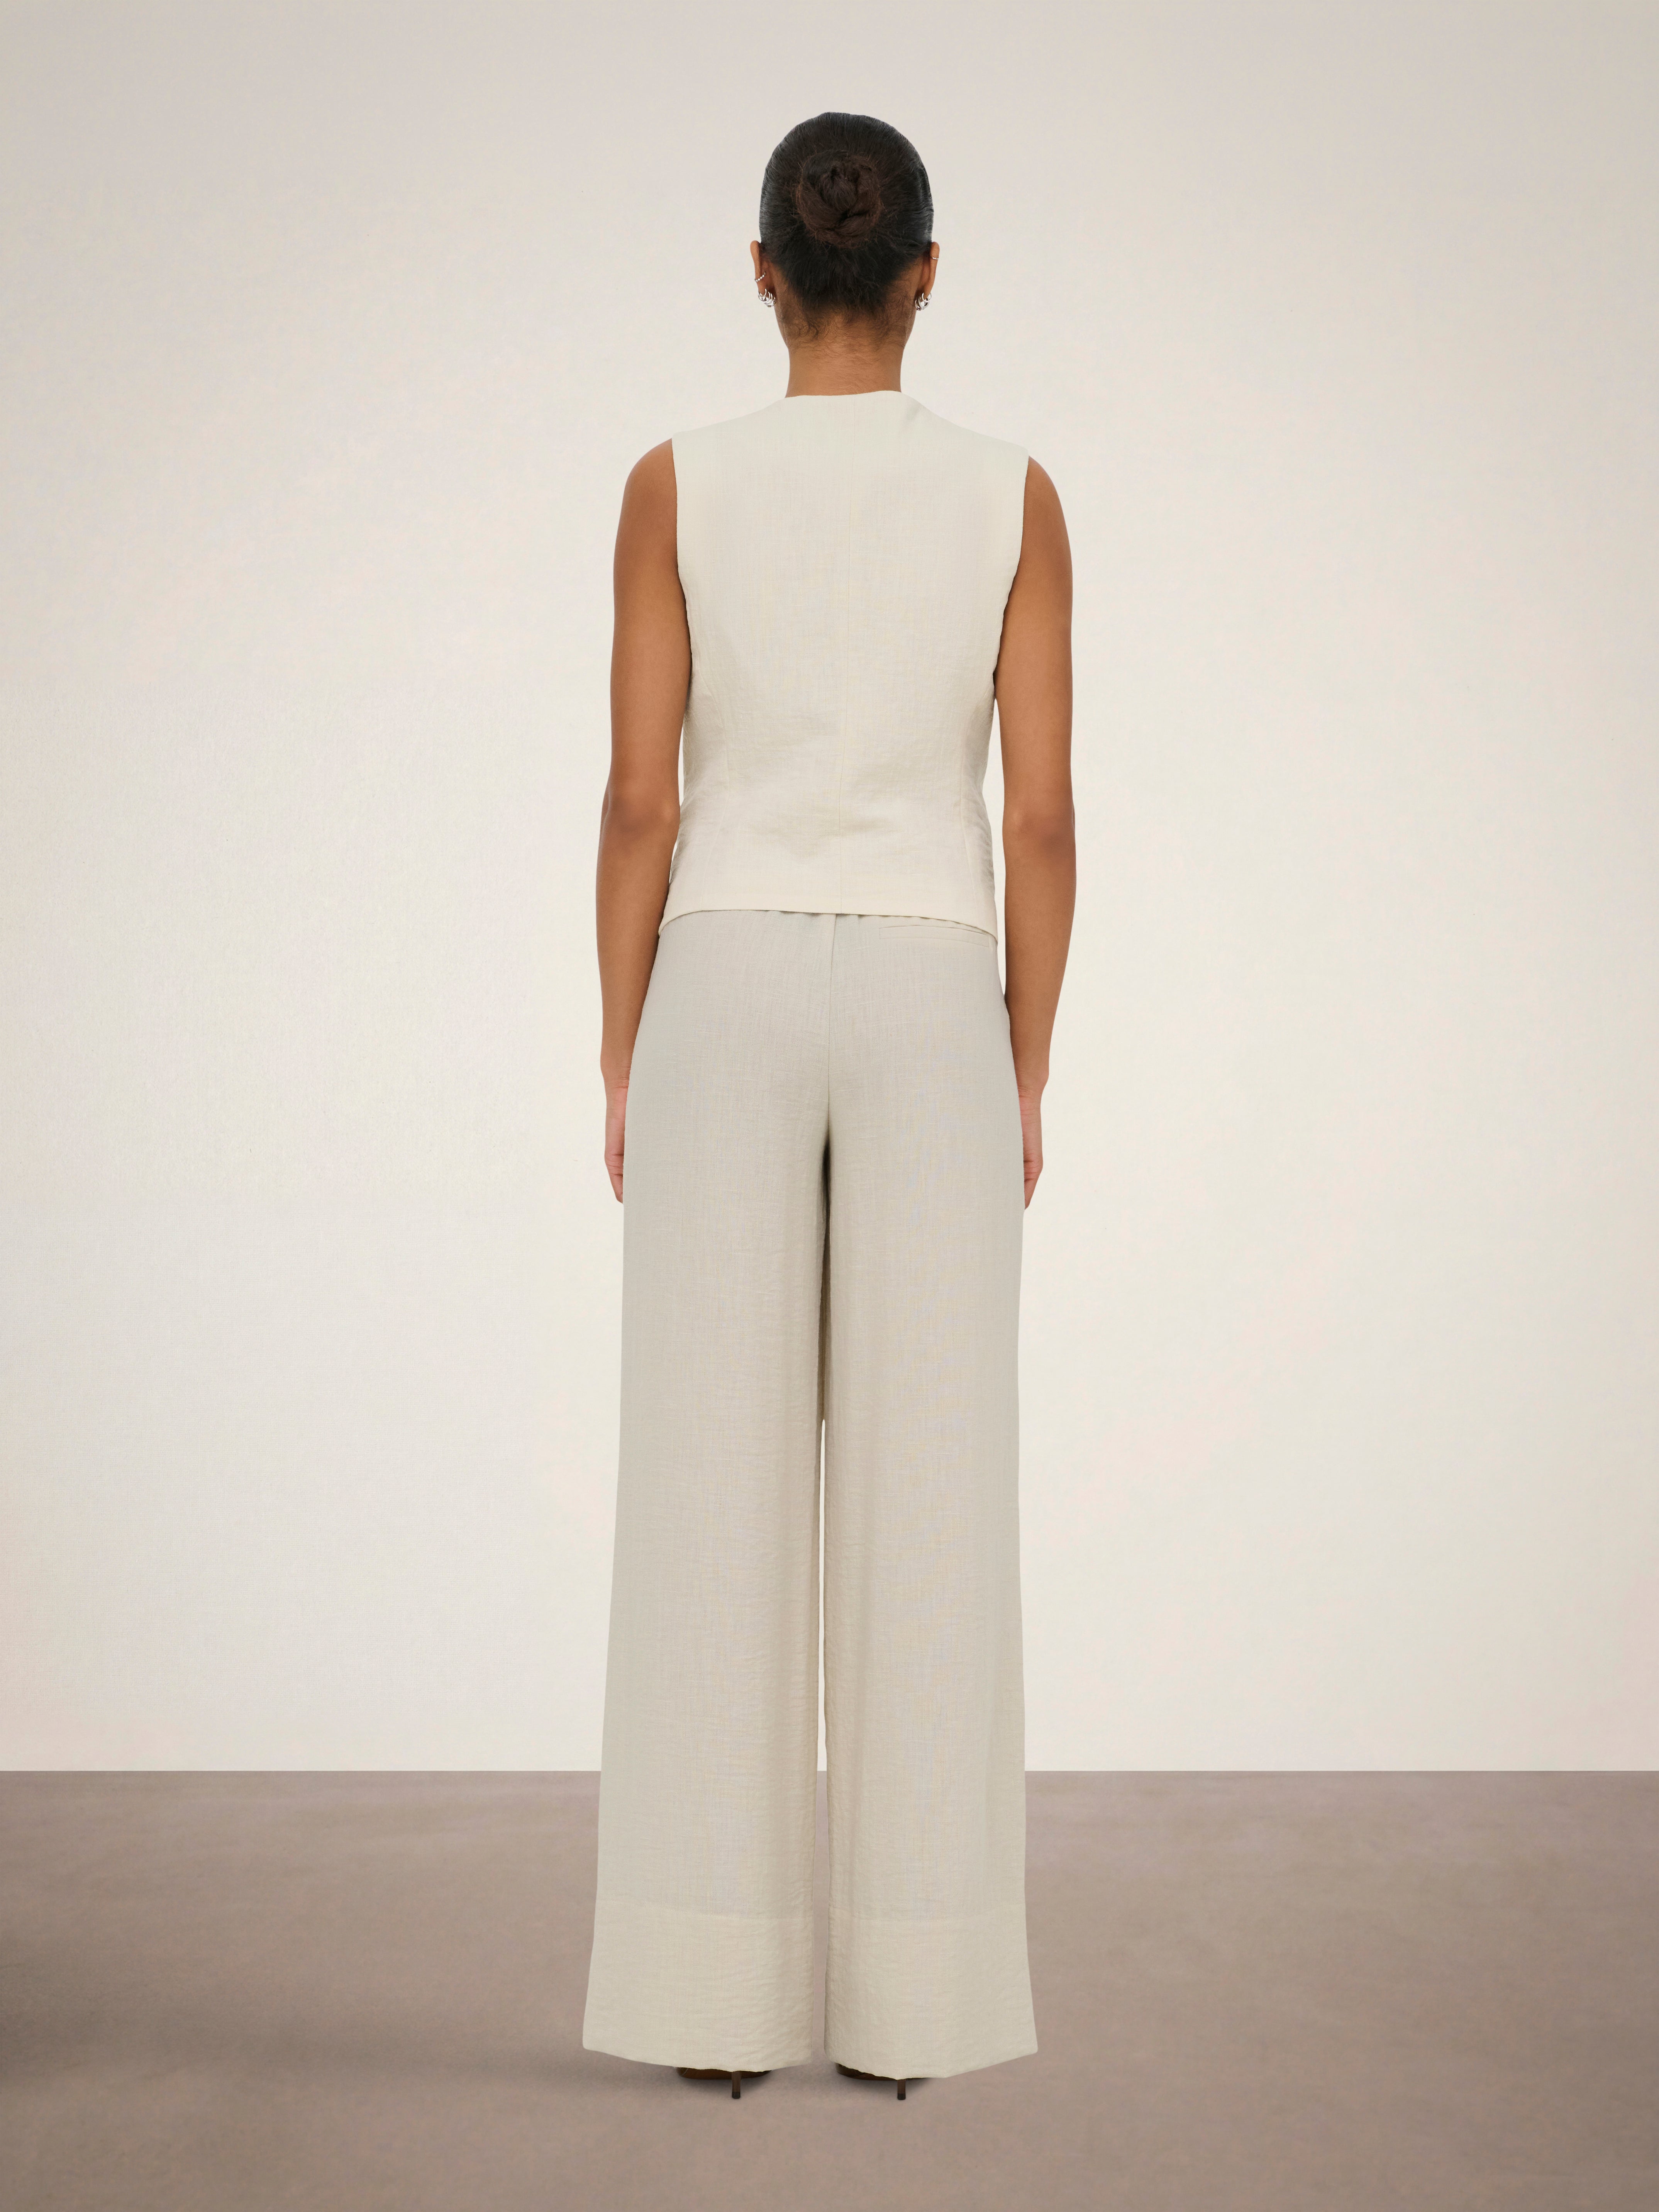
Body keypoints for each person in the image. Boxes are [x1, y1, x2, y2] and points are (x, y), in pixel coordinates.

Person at [582, 110, 1075, 2101]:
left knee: (706, 1490)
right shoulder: (1014, 495)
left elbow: (641, 799)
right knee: (933, 1495)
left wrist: (620, 1041)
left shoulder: (674, 483)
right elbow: (1041, 819)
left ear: (764, 273)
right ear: (928, 272)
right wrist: (1023, 1061)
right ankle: (915, 2013)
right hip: (936, 978)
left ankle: (707, 2009)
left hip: (723, 971)